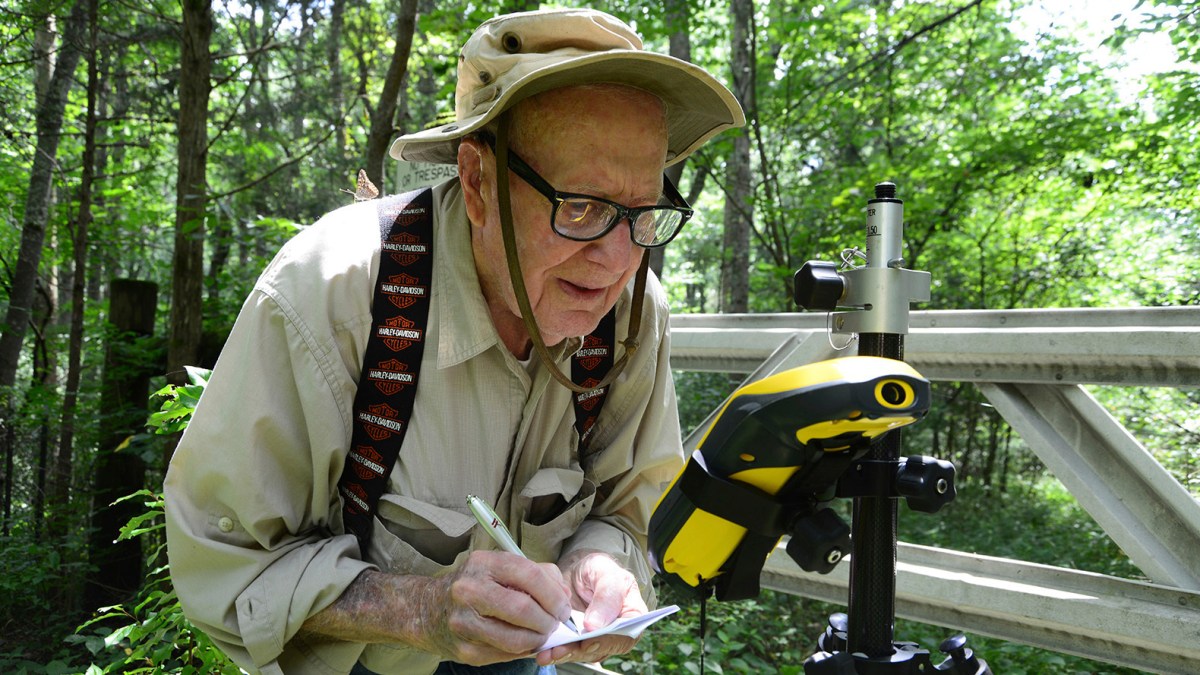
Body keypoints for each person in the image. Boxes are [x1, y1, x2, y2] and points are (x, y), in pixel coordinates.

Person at [164, 8, 743, 675]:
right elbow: (226, 561)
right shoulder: (335, 292)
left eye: (643, 214)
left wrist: (602, 560)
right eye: (581, 207)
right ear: (476, 182)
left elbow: (630, 505)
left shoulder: (631, 315)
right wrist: (417, 609)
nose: (617, 260)